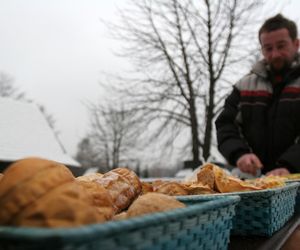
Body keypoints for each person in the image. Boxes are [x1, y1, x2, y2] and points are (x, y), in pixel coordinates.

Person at [215, 14, 300, 176]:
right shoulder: (244, 86)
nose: (274, 54)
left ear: (296, 44)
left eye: (281, 46)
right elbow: (226, 125)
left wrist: (290, 166)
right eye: (268, 48)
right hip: (255, 185)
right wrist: (240, 154)